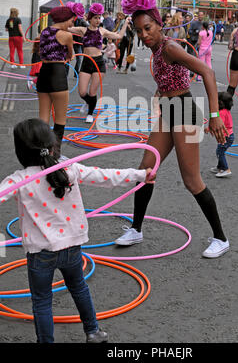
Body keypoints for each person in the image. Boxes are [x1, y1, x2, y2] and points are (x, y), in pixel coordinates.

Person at [0, 118, 155, 343]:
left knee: (42, 300)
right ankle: (93, 332)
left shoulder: (20, 180)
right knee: (79, 288)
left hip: (40, 253)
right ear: (52, 145)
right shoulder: (69, 169)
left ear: (20, 152)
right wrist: (142, 175)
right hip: (72, 247)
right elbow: (107, 176)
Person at [114, 0, 229, 259]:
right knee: (146, 169)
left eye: (148, 28)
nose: (144, 35)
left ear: (159, 24)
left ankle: (221, 238)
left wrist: (214, 116)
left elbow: (208, 72)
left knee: (192, 180)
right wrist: (161, 93)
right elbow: (174, 79)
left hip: (184, 112)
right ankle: (136, 228)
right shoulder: (156, 50)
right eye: (140, 31)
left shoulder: (170, 47)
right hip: (169, 110)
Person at [68, 3, 130, 122]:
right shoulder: (83, 30)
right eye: (95, 17)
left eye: (99, 17)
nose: (97, 20)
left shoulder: (102, 31)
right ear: (90, 18)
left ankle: (90, 114)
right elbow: (67, 28)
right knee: (82, 92)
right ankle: (88, 102)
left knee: (92, 92)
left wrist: (126, 23)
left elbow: (119, 36)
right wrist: (71, 15)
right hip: (86, 62)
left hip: (98, 63)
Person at [36, 5, 78, 157]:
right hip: (58, 75)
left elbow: (42, 52)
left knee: (43, 118)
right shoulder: (66, 35)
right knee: (60, 118)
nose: (72, 25)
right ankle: (55, 153)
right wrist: (69, 56)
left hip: (43, 74)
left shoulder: (44, 32)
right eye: (71, 21)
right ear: (64, 19)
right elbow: (70, 54)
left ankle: (42, 151)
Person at [207, 92, 234, 178]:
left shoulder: (221, 113)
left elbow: (218, 125)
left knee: (220, 152)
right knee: (220, 151)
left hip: (225, 136)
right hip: (229, 135)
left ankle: (226, 169)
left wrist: (208, 129)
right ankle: (220, 167)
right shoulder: (226, 110)